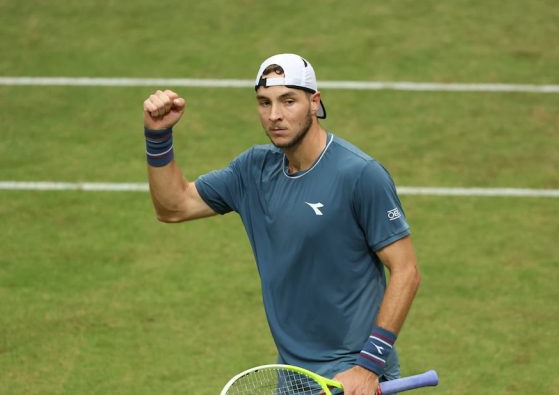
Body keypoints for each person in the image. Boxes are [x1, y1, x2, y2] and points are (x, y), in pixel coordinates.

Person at [142, 53, 421, 395]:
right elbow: (174, 207)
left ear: (314, 103)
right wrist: (158, 137)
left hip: (354, 373)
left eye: (288, 101)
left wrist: (368, 367)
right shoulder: (252, 171)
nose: (274, 115)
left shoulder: (360, 175)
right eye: (264, 103)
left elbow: (406, 271)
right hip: (292, 375)